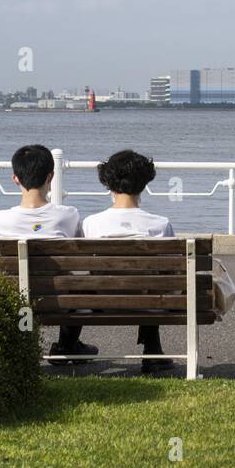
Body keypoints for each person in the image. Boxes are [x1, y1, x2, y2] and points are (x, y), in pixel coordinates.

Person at [0, 144, 95, 365]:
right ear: (51, 177)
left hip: (14, 296)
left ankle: (25, 347)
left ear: (15, 178)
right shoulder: (68, 215)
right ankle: (67, 344)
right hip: (62, 298)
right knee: (78, 281)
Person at [81, 150, 176, 374]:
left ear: (107, 182)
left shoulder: (91, 223)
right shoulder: (160, 224)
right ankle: (153, 352)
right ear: (144, 183)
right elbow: (172, 270)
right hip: (149, 302)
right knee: (153, 284)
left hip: (102, 302)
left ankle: (67, 345)